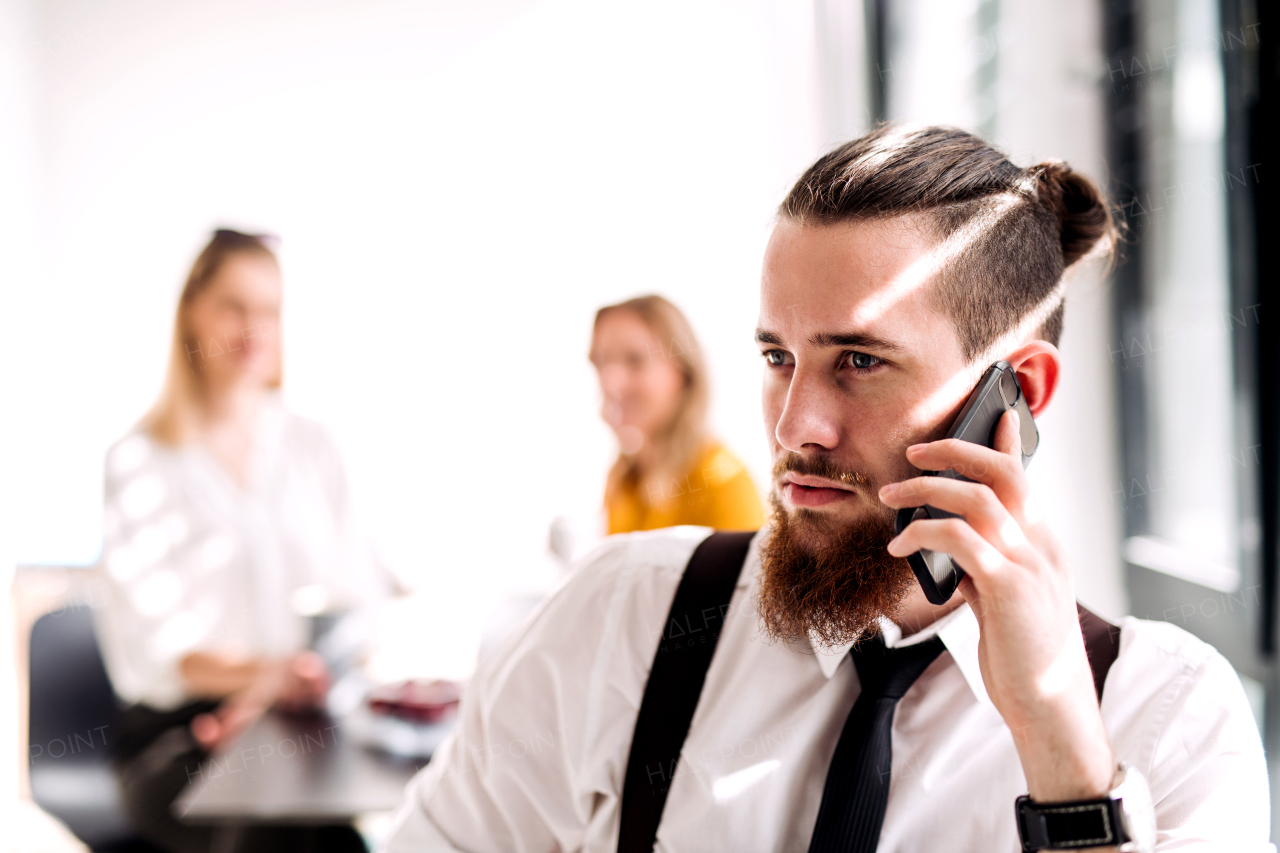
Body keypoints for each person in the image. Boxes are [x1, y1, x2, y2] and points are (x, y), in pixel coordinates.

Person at [383, 126, 1269, 852]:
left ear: (1020, 393)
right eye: (779, 358)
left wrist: (1063, 752)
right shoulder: (624, 614)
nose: (794, 426)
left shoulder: (1168, 715)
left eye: (859, 360)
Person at [96, 229, 382, 853]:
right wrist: (262, 682)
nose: (253, 327)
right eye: (233, 306)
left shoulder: (314, 448)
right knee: (263, 831)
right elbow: (162, 649)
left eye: (269, 311)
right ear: (192, 313)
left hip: (297, 725)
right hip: (185, 735)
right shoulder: (140, 463)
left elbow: (358, 605)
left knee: (348, 837)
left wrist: (289, 692)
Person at [590, 295, 764, 534]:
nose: (610, 383)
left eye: (635, 360)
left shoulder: (724, 484)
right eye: (600, 361)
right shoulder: (623, 478)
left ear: (683, 372)